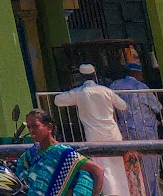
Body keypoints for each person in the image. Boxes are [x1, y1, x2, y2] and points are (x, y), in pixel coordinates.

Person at [54, 64, 129, 196]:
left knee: (102, 168)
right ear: (95, 75)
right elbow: (123, 106)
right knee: (118, 167)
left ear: (81, 77)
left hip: (95, 136)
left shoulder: (79, 93)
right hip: (113, 133)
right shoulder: (106, 91)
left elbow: (57, 100)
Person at [12, 110, 101, 196]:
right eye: (29, 127)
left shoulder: (62, 152)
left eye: (35, 126)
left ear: (49, 127)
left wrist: (95, 194)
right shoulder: (29, 155)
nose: (31, 130)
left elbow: (98, 170)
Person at [109, 63, 163, 196]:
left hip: (124, 131)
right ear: (136, 73)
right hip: (144, 131)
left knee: (131, 167)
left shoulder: (114, 85)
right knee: (150, 168)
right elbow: (157, 108)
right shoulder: (141, 86)